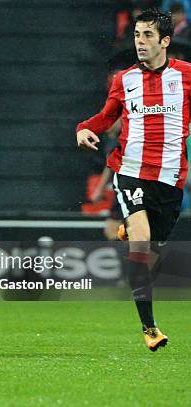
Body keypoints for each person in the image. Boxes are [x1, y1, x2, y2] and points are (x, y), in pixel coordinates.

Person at [76, 8, 191, 351]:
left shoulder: (187, 76)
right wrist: (84, 129)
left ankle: (130, 231)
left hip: (170, 179)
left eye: (148, 36)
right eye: (137, 35)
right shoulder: (124, 80)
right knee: (141, 242)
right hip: (130, 172)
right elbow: (105, 117)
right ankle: (150, 328)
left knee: (152, 251)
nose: (140, 42)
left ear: (165, 41)